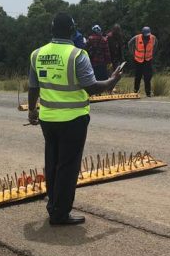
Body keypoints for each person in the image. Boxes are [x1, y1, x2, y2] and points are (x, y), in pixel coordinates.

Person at [27, 12, 122, 226]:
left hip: (48, 119)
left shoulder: (37, 54)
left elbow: (33, 87)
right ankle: (60, 214)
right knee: (68, 167)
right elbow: (91, 87)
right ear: (72, 31)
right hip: (73, 119)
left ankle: (53, 206)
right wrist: (112, 80)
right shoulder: (77, 55)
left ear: (52, 31)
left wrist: (32, 110)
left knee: (52, 163)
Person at [127, 26, 157, 97]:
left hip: (148, 60)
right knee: (138, 77)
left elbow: (156, 45)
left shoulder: (153, 38)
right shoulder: (136, 38)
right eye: (146, 35)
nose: (147, 37)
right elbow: (129, 44)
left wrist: (152, 53)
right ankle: (135, 92)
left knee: (147, 77)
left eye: (148, 35)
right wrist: (133, 53)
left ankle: (148, 93)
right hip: (138, 60)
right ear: (142, 34)